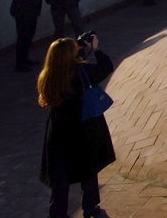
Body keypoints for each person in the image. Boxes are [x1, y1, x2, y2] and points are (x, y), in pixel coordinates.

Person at [38, 33, 115, 218]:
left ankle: (57, 213)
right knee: (88, 169)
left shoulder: (48, 76)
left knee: (60, 178)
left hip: (59, 132)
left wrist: (77, 52)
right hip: (83, 128)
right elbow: (106, 66)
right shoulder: (81, 73)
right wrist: (95, 48)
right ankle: (90, 207)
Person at [9, 0, 46, 72]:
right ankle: (19, 64)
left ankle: (25, 59)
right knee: (22, 37)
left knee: (29, 36)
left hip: (32, 11)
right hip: (22, 12)